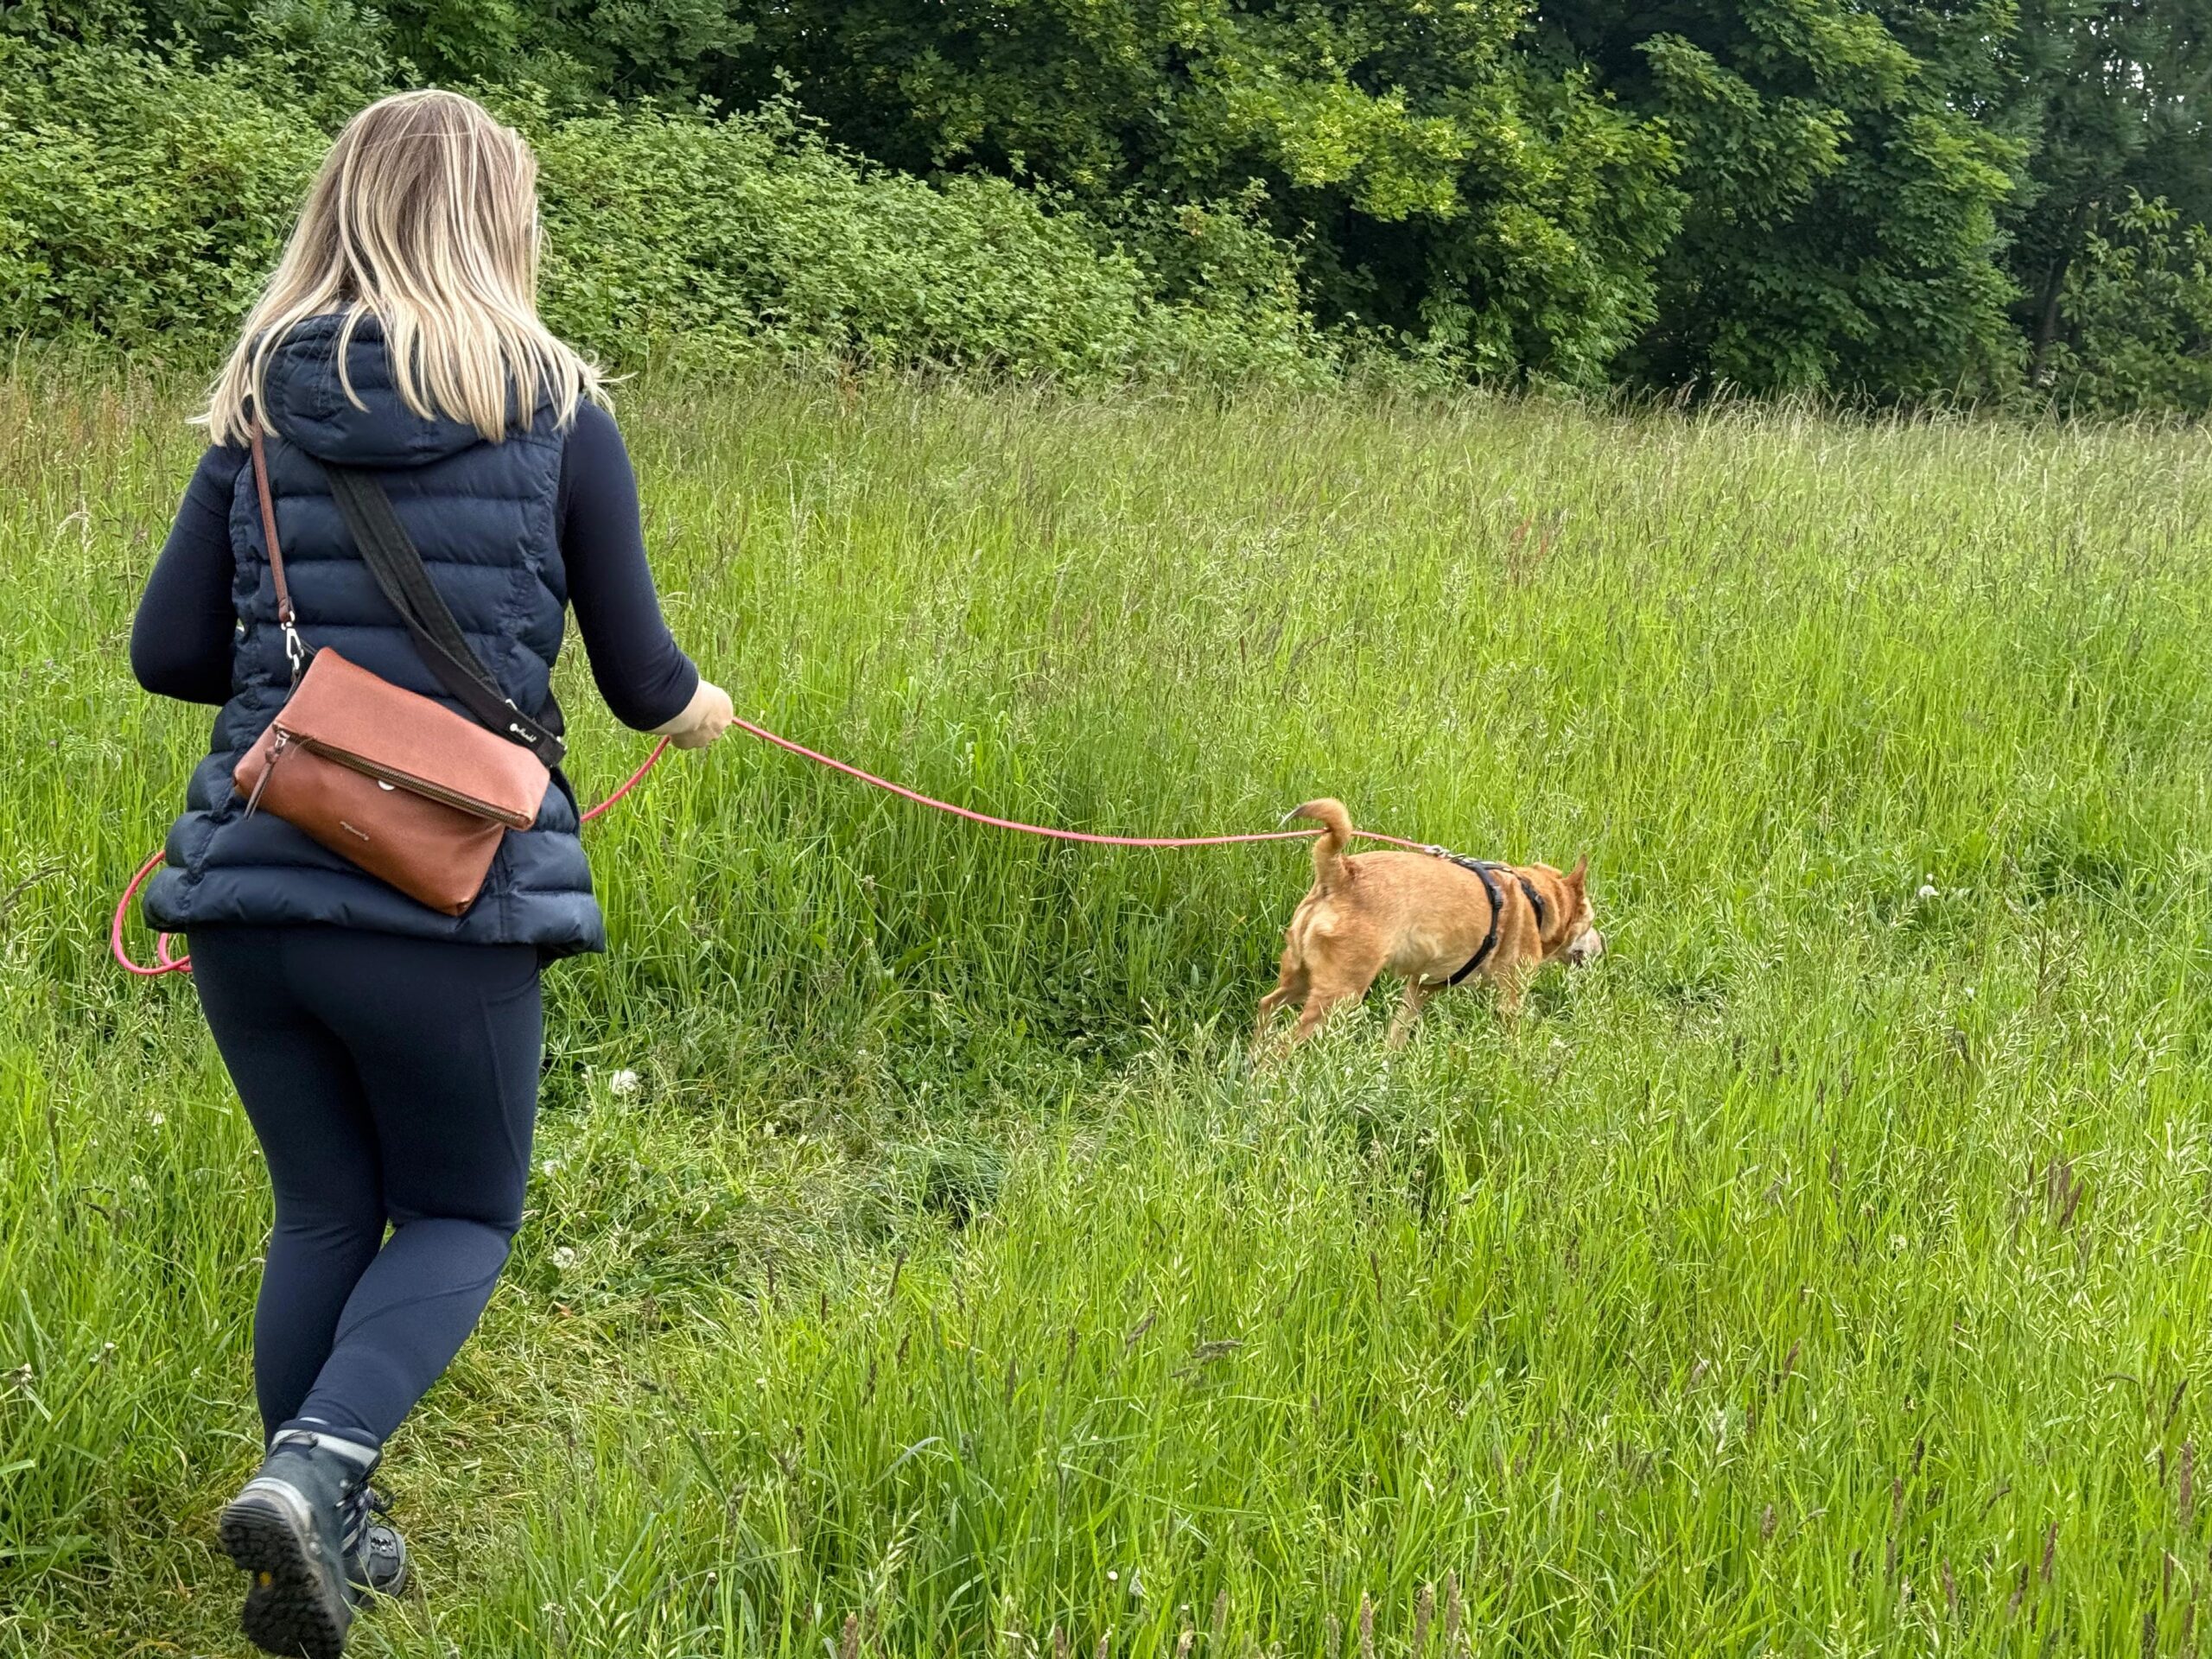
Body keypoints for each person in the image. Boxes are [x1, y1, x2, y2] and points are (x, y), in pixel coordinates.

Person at [128, 88, 734, 1659]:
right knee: (461, 1210)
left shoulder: (258, 403)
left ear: (338, 208)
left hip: (254, 886)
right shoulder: (554, 404)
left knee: (324, 1209)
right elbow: (644, 679)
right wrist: (704, 714)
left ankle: (329, 1516)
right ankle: (321, 1472)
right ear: (499, 220)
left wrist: (314, 668)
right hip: (443, 893)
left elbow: (169, 654)